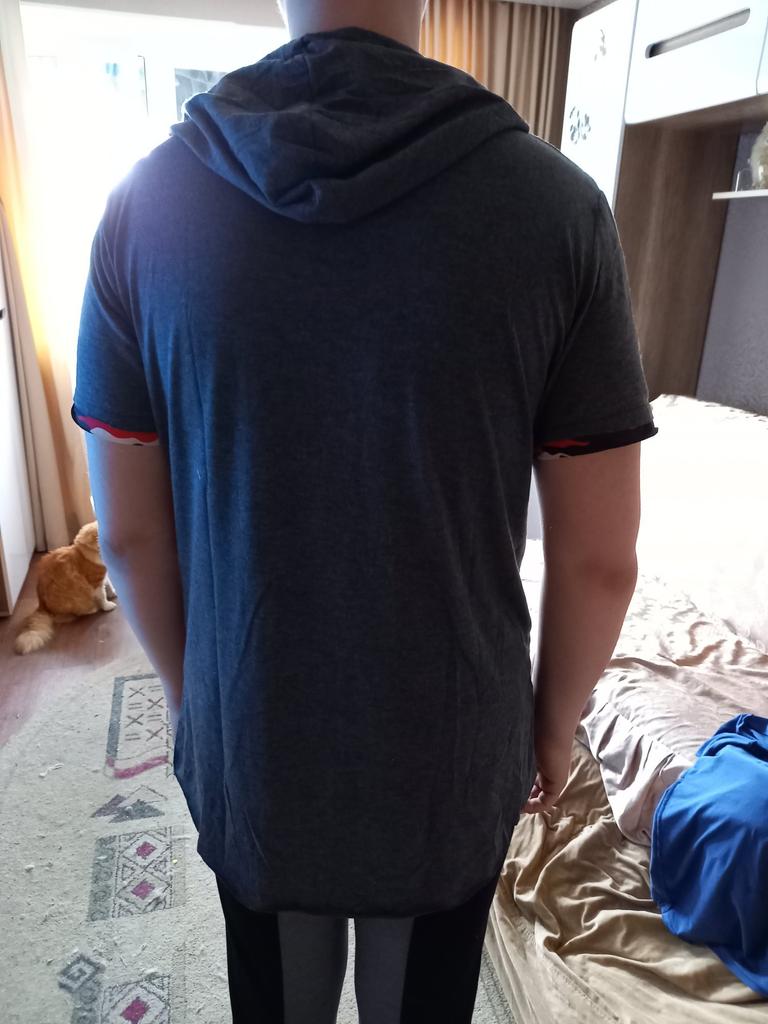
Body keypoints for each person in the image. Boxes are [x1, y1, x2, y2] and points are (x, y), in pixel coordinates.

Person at [72, 1, 658, 1021]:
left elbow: (126, 533)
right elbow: (600, 559)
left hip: (256, 734)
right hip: (450, 747)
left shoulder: (144, 207)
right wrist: (552, 727)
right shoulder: (559, 209)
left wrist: (194, 700)